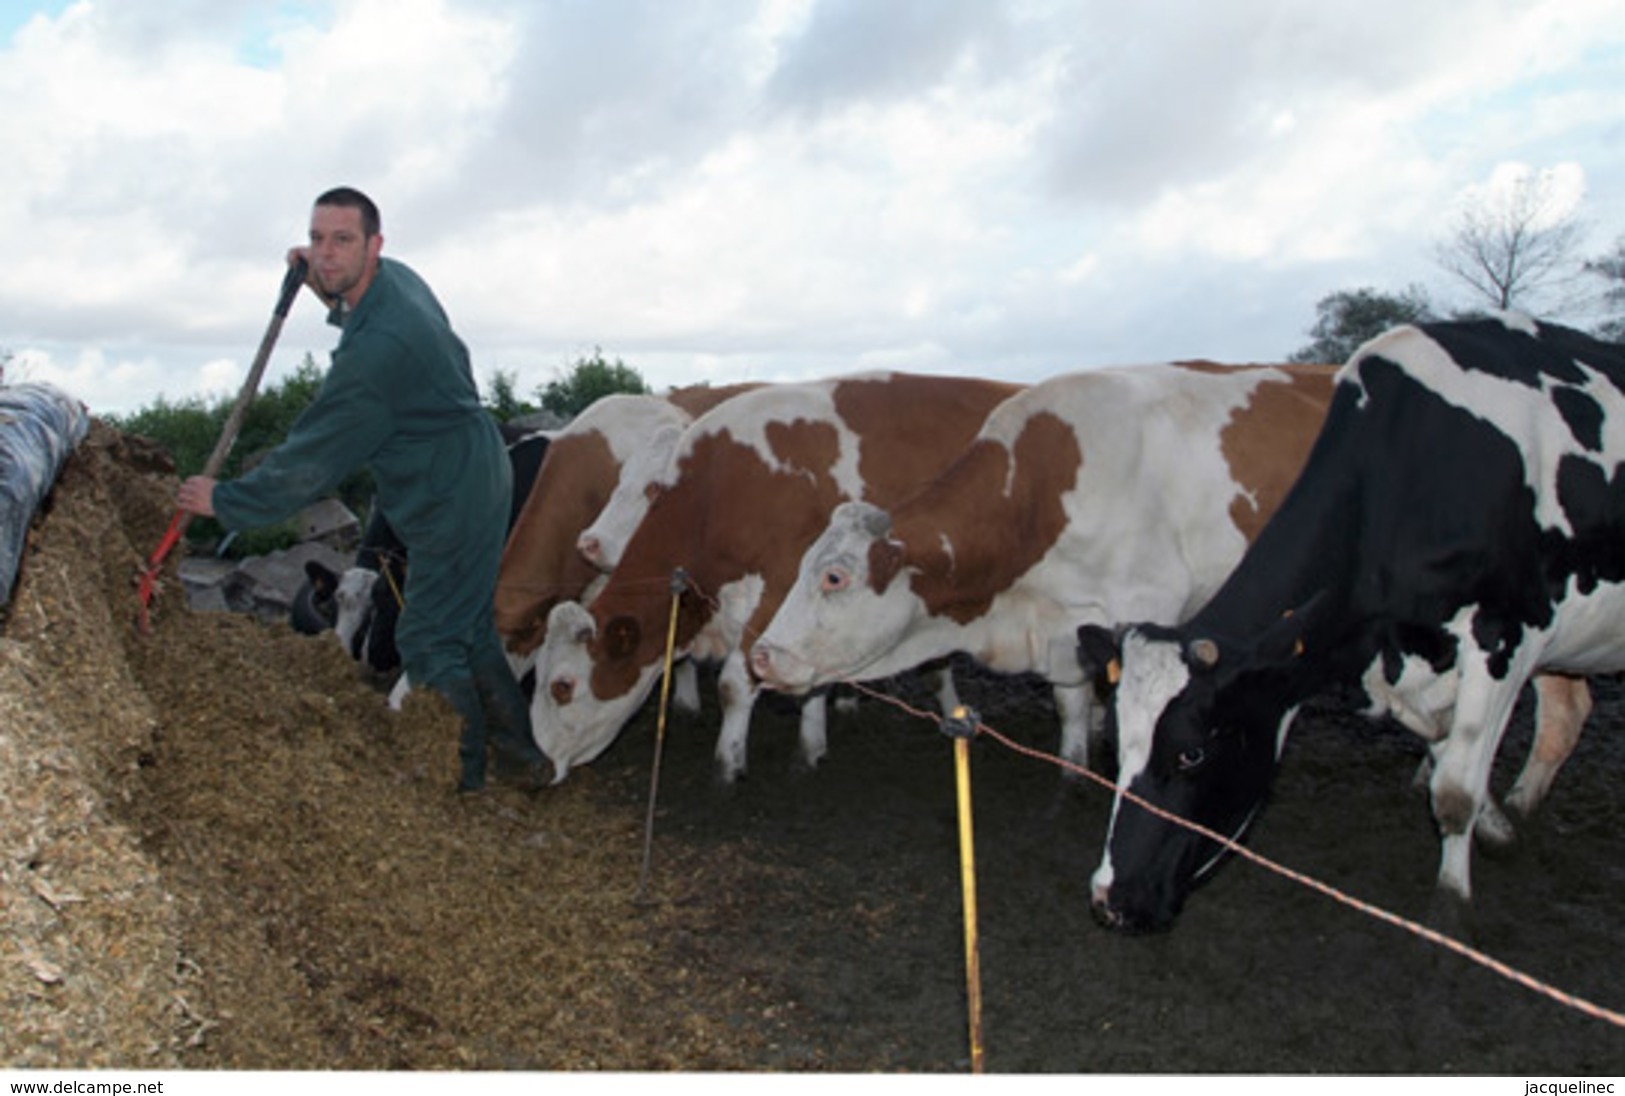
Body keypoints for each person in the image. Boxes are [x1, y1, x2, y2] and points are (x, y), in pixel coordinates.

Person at [178, 186, 547, 792]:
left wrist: (223, 500)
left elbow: (311, 458)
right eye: (318, 239)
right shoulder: (396, 280)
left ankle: (465, 780)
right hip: (471, 466)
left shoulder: (377, 355)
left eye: (342, 241)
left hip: (449, 492)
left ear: (374, 244)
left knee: (427, 638)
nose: (326, 254)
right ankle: (524, 760)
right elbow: (348, 295)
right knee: (468, 627)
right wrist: (319, 277)